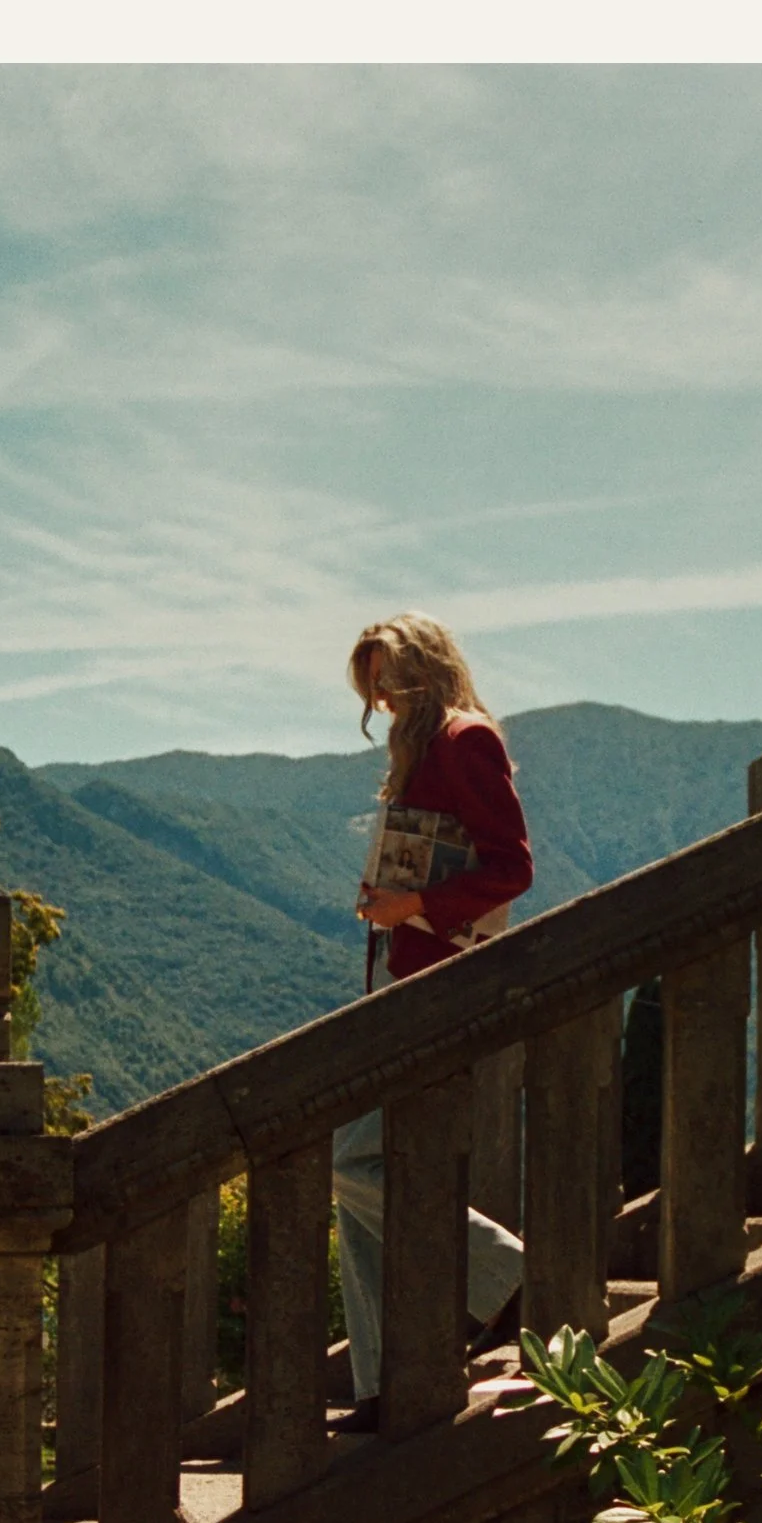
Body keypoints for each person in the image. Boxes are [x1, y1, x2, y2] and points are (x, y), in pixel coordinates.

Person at [332, 613, 532, 1430]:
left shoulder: (464, 739)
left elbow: (512, 867)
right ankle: (380, 1383)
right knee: (357, 1175)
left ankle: (512, 1276)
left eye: (388, 680)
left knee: (348, 1161)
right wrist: (389, 899)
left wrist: (412, 902)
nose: (380, 699)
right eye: (371, 686)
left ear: (424, 668)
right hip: (408, 981)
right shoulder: (424, 748)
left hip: (444, 985)